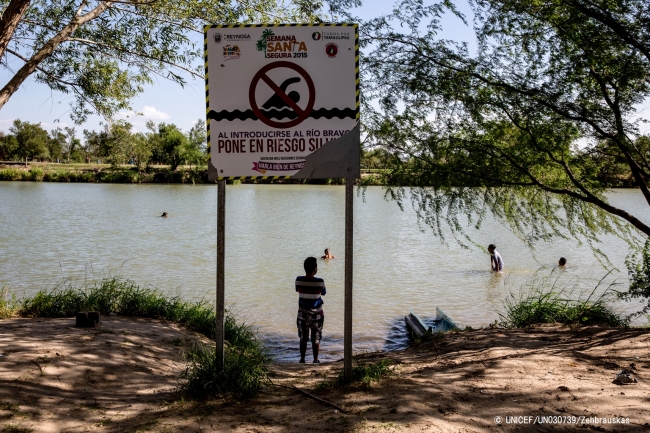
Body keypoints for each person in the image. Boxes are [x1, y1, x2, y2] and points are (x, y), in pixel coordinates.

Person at [295, 257, 326, 363]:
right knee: (316, 338)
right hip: (317, 315)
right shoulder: (320, 282)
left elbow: (297, 289)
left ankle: (302, 359)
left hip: (302, 314)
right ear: (315, 269)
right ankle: (315, 360)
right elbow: (323, 292)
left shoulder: (299, 280)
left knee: (303, 338)